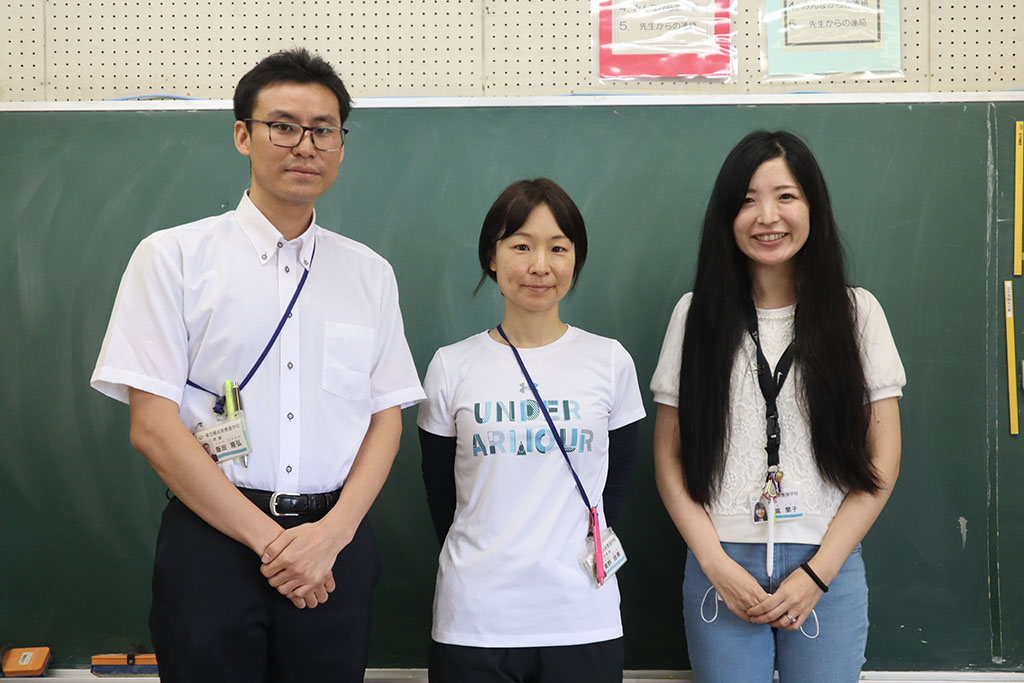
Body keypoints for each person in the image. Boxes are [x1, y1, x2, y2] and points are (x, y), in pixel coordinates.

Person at [90, 48, 425, 683]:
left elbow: (386, 418)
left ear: (341, 145)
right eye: (283, 125)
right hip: (213, 542)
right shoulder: (173, 259)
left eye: (324, 129)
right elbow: (152, 427)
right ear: (244, 134)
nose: (305, 145)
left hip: (336, 545)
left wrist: (330, 536)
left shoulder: (369, 274)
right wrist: (275, 545)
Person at [651, 131, 905, 682]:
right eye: (746, 200)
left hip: (826, 565)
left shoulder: (857, 314)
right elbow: (669, 461)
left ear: (813, 205)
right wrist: (716, 566)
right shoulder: (695, 317)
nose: (767, 215)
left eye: (786, 196)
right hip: (721, 565)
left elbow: (882, 459)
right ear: (727, 215)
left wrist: (818, 573)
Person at [417, 178, 647, 683]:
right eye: (521, 246)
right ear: (492, 257)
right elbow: (442, 497)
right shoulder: (451, 366)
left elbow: (615, 492)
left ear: (575, 261)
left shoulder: (609, 362)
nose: (540, 265)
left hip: (582, 617)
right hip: (475, 622)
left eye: (558, 248)